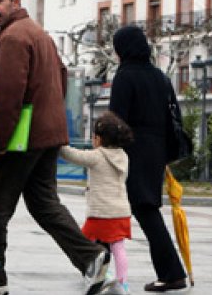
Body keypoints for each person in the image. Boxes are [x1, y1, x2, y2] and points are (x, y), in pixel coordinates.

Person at [0, 0, 110, 295]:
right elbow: (61, 76)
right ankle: (91, 257)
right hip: (49, 132)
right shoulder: (40, 34)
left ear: (16, 2)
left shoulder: (12, 38)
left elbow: (9, 95)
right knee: (44, 202)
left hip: (22, 137)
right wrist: (50, 115)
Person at [108, 25, 188, 292]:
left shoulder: (125, 76)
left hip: (131, 150)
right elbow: (172, 116)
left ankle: (172, 273)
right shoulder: (158, 76)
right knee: (132, 207)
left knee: (139, 209)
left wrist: (106, 152)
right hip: (157, 150)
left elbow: (115, 121)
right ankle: (93, 262)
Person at [59, 111, 134, 295]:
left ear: (99, 139)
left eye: (94, 136)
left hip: (100, 213)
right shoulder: (124, 157)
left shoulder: (97, 156)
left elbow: (74, 156)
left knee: (84, 242)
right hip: (121, 212)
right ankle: (123, 283)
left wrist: (58, 145)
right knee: (118, 247)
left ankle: (102, 275)